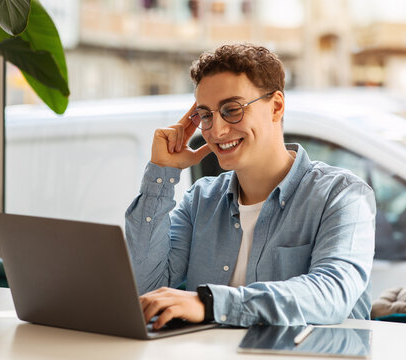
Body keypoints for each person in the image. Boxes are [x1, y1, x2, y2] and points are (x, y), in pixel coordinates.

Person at [125, 43, 376, 330]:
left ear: (276, 106)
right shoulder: (200, 200)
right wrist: (162, 173)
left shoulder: (342, 195)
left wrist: (210, 304)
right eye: (206, 115)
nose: (216, 131)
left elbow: (332, 293)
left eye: (232, 109)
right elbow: (147, 289)